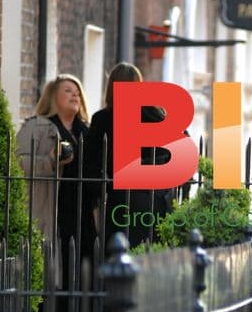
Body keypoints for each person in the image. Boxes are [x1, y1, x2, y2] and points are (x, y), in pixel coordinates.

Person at [16, 74, 97, 293]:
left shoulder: (89, 132)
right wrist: (50, 159)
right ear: (53, 97)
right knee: (51, 278)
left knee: (82, 276)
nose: (75, 95)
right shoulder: (36, 127)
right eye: (68, 90)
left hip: (84, 214)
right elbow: (17, 164)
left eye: (78, 91)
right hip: (51, 212)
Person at [84, 62, 174, 251]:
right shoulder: (156, 114)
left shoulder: (102, 118)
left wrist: (105, 186)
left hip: (120, 199)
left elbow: (91, 164)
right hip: (154, 197)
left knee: (120, 257)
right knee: (152, 256)